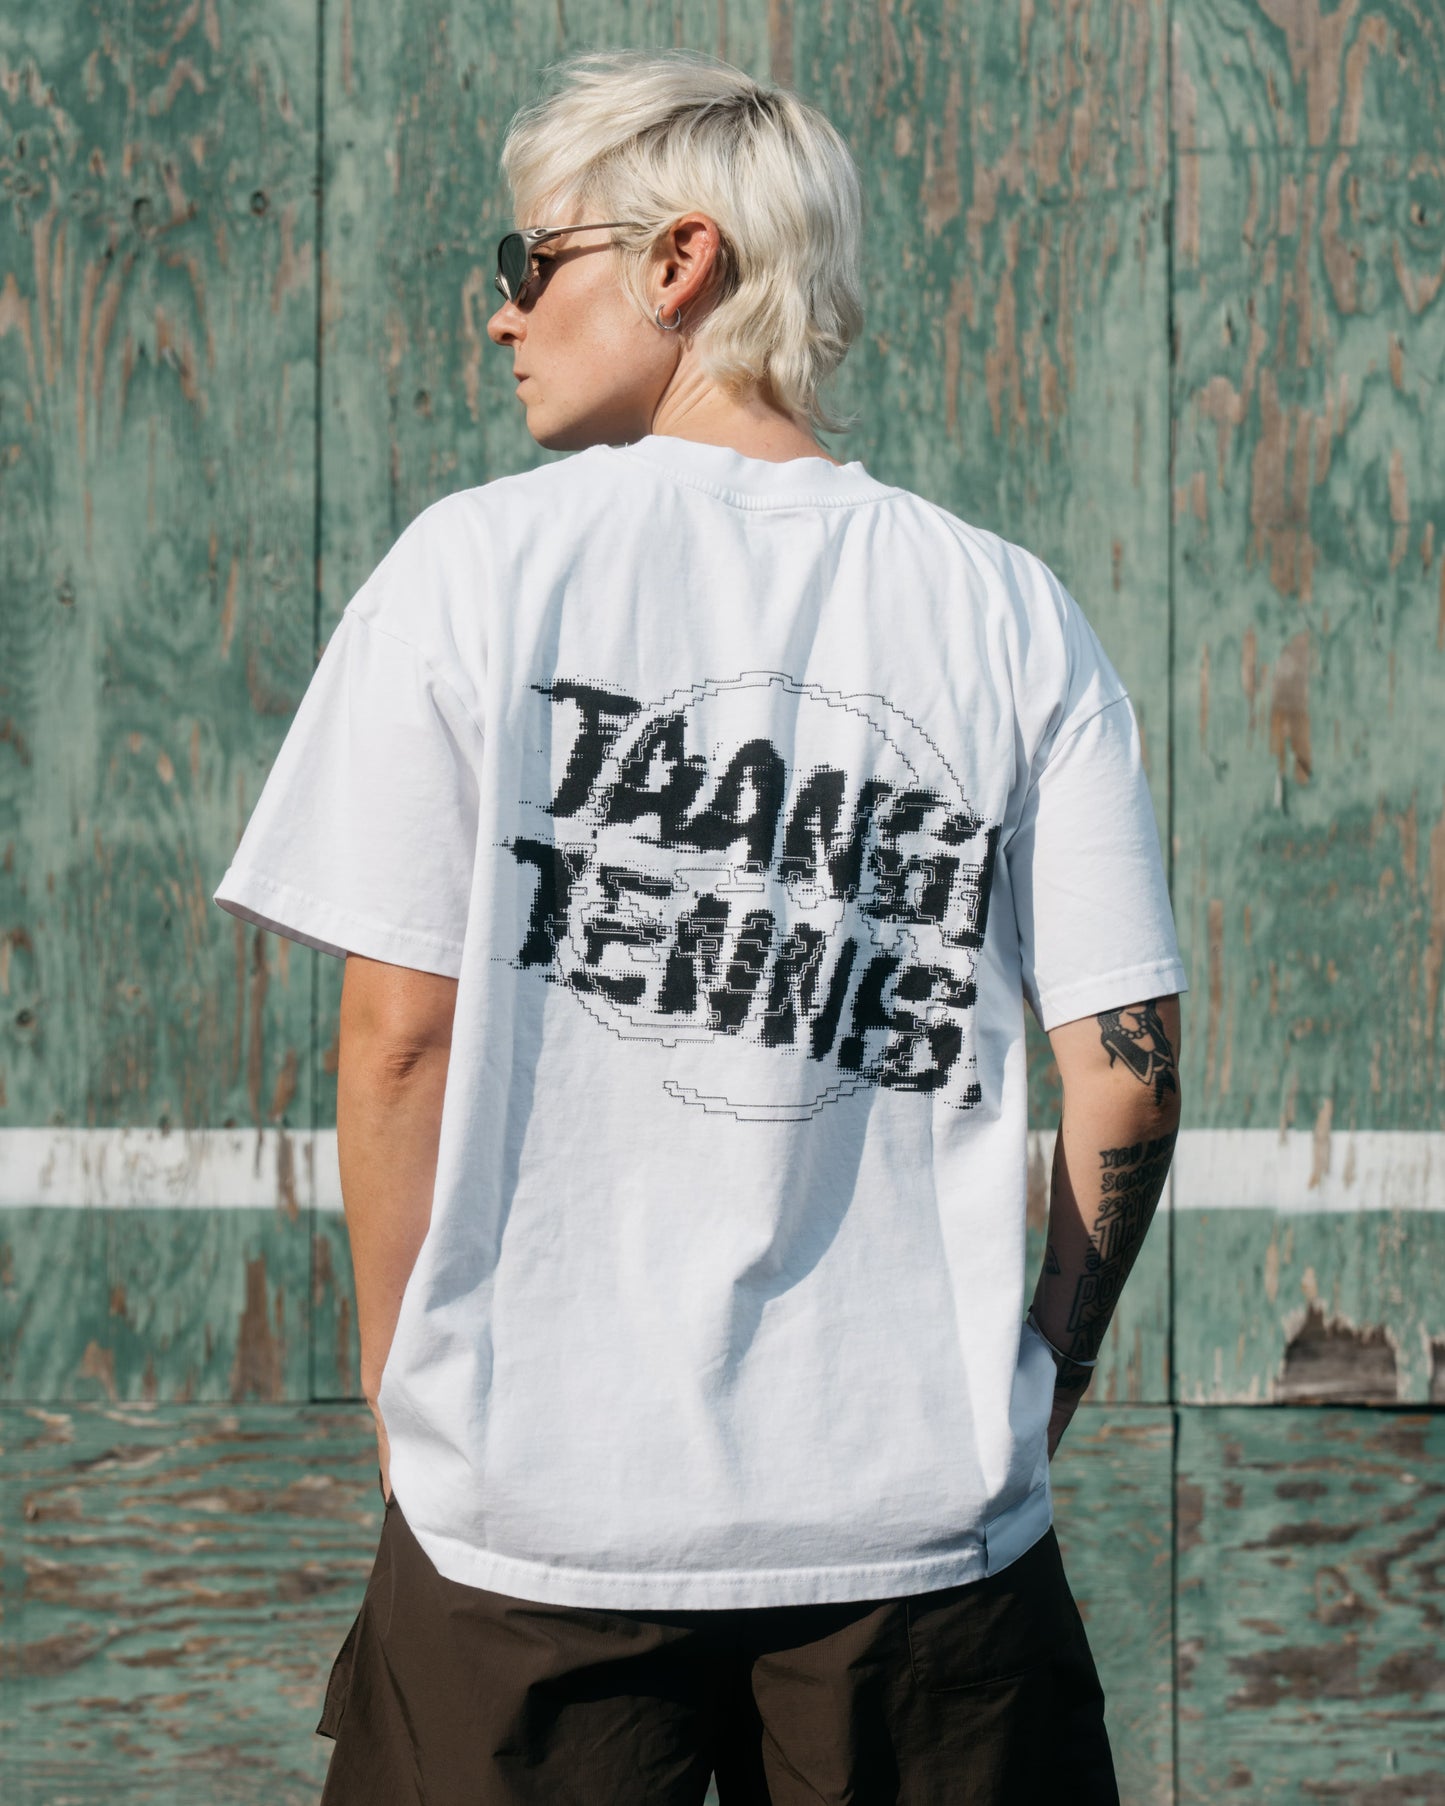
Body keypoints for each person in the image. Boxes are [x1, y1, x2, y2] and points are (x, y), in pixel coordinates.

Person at [212, 45, 1186, 1806]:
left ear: (679, 261)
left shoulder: (471, 571)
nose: (500, 313)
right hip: (921, 1531)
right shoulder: (1006, 611)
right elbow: (1126, 1071)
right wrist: (1046, 1375)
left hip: (531, 1522)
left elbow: (400, 1040)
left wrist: (405, 1399)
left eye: (529, 261)